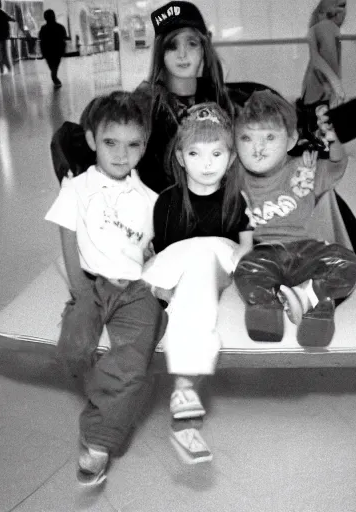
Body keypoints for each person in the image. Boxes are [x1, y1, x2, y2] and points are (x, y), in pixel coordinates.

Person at [45, 91, 166, 487]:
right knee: (73, 349)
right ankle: (110, 392)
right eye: (111, 143)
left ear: (144, 147)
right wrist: (80, 289)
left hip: (136, 291)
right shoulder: (76, 188)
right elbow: (67, 234)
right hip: (92, 285)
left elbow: (153, 252)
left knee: (131, 363)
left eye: (133, 145)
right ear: (93, 139)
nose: (121, 155)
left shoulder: (150, 200)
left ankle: (98, 440)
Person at [141, 103, 253, 464]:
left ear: (231, 158)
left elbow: (244, 258)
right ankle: (186, 399)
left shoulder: (237, 202)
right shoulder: (166, 202)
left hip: (215, 271)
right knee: (193, 264)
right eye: (195, 153)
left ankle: (186, 396)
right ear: (180, 156)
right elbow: (157, 258)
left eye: (217, 153)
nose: (207, 164)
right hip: (171, 275)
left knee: (206, 256)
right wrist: (160, 287)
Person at [233, 90, 356, 346]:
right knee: (246, 270)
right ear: (235, 143)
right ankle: (268, 312)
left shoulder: (303, 168)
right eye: (247, 138)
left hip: (306, 251)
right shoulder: (234, 174)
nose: (257, 148)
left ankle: (311, 302)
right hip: (264, 253)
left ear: (291, 140)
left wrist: (334, 140)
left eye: (270, 137)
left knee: (348, 263)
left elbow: (337, 166)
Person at [136, 0, 235, 193]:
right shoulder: (146, 105)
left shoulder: (221, 99)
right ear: (160, 51)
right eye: (172, 46)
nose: (182, 54)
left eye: (192, 44)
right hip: (167, 210)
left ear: (204, 46)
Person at [299, 0, 347, 149]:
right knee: (323, 136)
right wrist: (336, 85)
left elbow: (317, 59)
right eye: (341, 5)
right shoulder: (327, 27)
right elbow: (319, 60)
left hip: (314, 88)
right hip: (320, 89)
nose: (345, 11)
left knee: (316, 134)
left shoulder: (316, 26)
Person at [38, 9, 68, 88]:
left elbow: (41, 39)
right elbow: (64, 37)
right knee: (55, 65)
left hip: (47, 51)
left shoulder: (43, 28)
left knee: (51, 65)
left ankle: (54, 76)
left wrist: (42, 52)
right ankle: (54, 76)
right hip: (57, 50)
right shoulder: (60, 27)